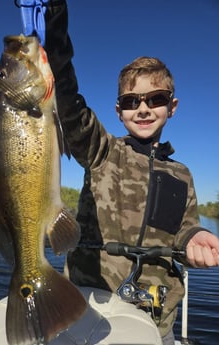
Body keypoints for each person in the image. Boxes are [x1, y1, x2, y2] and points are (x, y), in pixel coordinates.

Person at [44, 1, 219, 344]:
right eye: (130, 101)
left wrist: (194, 239)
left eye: (155, 98)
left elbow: (184, 229)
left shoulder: (181, 174)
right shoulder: (102, 150)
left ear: (172, 106)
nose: (142, 108)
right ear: (118, 111)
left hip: (157, 321)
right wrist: (54, 21)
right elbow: (67, 101)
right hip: (87, 307)